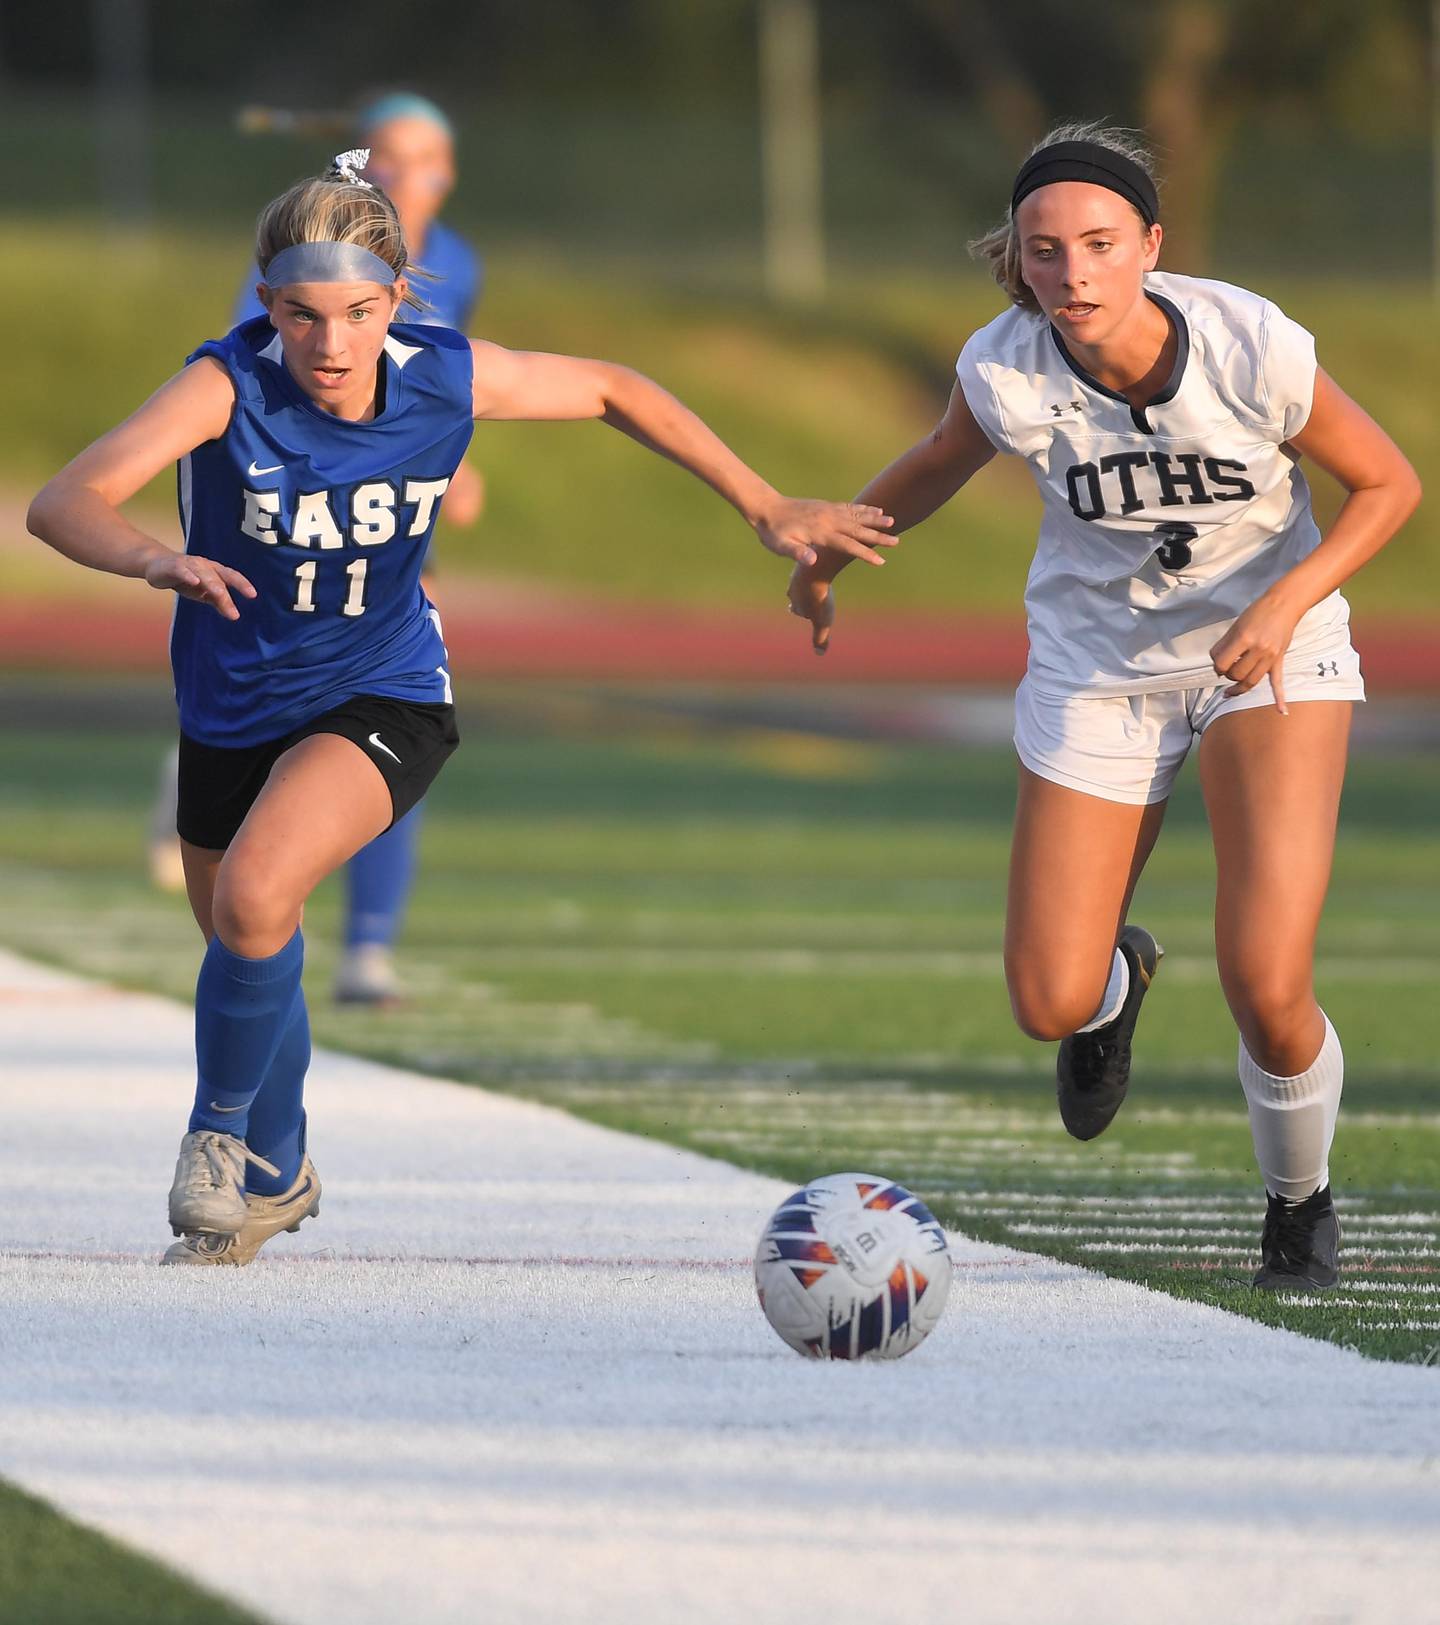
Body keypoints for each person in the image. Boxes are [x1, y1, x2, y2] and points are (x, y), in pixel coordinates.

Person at [28, 152, 894, 1267]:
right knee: (248, 940)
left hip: (382, 688)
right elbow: (64, 502)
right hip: (230, 701)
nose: (329, 344)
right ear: (265, 306)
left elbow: (614, 388)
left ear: (397, 301)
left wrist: (766, 503)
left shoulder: (443, 371)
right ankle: (281, 1169)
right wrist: (156, 561)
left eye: (354, 312)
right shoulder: (224, 386)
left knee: (252, 894)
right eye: (300, 315)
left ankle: (218, 1136)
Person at [787, 122, 1420, 1292]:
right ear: (1017, 260)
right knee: (1048, 998)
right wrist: (831, 546)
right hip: (1097, 668)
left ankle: (1298, 1199)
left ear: (1151, 246)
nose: (1072, 273)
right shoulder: (1007, 364)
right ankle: (1116, 982)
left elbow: (1389, 481)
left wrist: (1284, 605)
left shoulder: (1247, 340)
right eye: (1044, 250)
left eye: (1098, 244)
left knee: (1268, 977)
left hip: (1265, 655)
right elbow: (935, 460)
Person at [215, 93, 483, 1004]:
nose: (410, 176)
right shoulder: (309, 253)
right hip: (280, 535)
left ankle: (368, 942)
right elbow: (251, 378)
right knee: (237, 907)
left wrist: (461, 461)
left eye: (426, 160)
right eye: (392, 158)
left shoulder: (458, 264)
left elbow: (445, 383)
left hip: (385, 526)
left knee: (393, 702)